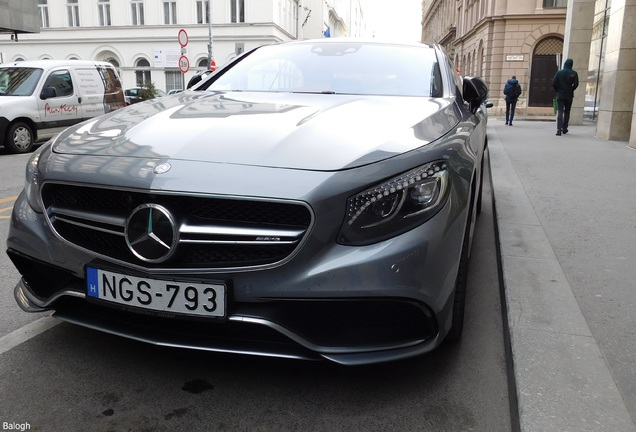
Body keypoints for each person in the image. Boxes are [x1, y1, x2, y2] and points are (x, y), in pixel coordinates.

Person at [552, 58, 579, 136]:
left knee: (560, 111)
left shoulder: (559, 73)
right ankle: (564, 128)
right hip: (569, 95)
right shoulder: (574, 73)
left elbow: (554, 83)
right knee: (567, 111)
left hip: (560, 95)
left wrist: (557, 90)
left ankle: (558, 130)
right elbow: (576, 84)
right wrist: (571, 89)